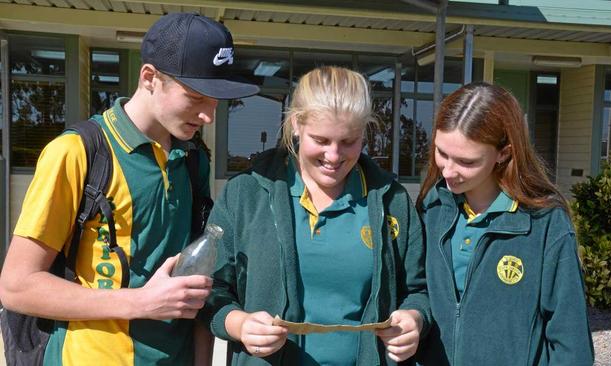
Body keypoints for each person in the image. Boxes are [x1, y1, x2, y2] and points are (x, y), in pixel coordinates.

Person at [0, 12, 258, 365]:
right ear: (150, 78)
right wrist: (141, 302)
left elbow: (197, 287)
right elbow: (16, 286)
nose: (208, 116)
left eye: (216, 101)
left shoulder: (194, 159)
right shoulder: (77, 152)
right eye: (196, 97)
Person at [200, 66, 431, 365]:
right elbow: (209, 290)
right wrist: (239, 325)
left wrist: (414, 320)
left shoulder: (392, 200)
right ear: (296, 124)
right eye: (321, 140)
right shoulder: (244, 194)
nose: (334, 156)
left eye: (348, 141)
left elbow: (419, 291)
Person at [415, 82, 594, 365]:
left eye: (466, 161)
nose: (448, 171)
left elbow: (571, 342)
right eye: (442, 153)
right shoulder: (431, 208)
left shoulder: (545, 223)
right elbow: (416, 292)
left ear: (504, 153)